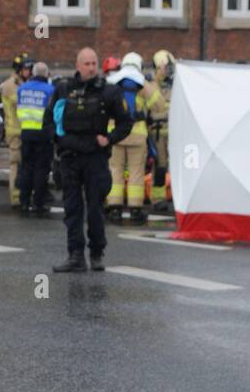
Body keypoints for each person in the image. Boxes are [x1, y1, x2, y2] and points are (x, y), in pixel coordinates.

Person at [44, 48, 131, 273]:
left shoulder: (108, 92)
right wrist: (57, 139)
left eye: (94, 63)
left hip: (95, 157)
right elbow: (48, 120)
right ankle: (75, 255)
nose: (91, 68)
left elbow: (125, 122)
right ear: (78, 66)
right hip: (69, 157)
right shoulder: (63, 89)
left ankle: (96, 253)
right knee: (72, 209)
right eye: (87, 64)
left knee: (95, 209)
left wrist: (109, 139)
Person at [105, 51, 165, 226]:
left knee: (115, 169)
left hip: (115, 134)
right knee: (136, 173)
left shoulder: (113, 81)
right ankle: (135, 209)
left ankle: (114, 207)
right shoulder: (142, 84)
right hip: (137, 135)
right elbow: (159, 105)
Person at [16, 60, 55, 218]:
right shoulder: (51, 90)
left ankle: (24, 202)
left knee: (26, 168)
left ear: (32, 73)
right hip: (43, 134)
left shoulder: (22, 89)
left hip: (26, 132)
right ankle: (38, 203)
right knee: (41, 170)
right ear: (46, 74)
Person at [0, 53, 32, 208]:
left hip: (26, 130)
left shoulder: (24, 83)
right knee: (16, 164)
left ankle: (24, 193)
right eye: (26, 69)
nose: (29, 72)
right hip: (15, 132)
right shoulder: (10, 85)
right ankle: (16, 197)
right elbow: (21, 102)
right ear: (18, 70)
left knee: (26, 164)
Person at [149, 49, 174, 214]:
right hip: (158, 134)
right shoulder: (150, 88)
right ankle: (158, 199)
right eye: (166, 68)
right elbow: (148, 112)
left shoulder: (176, 86)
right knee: (160, 167)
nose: (169, 73)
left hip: (174, 134)